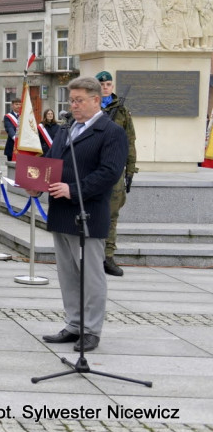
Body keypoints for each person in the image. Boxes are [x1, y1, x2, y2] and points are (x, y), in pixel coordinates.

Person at [36, 76, 128, 353]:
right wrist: (35, 184)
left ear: (96, 100)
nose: (73, 106)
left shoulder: (111, 132)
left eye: (79, 100)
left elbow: (109, 173)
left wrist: (73, 190)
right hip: (61, 211)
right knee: (67, 273)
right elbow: (51, 161)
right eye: (71, 100)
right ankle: (74, 324)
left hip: (88, 213)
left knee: (91, 275)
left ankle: (91, 330)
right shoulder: (65, 130)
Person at [97, 70, 137, 277]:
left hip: (114, 171)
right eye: (102, 84)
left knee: (112, 215)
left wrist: (130, 169)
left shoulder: (122, 111)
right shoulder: (89, 108)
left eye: (108, 84)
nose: (105, 87)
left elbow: (130, 142)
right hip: (92, 169)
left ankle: (108, 256)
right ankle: (91, 255)